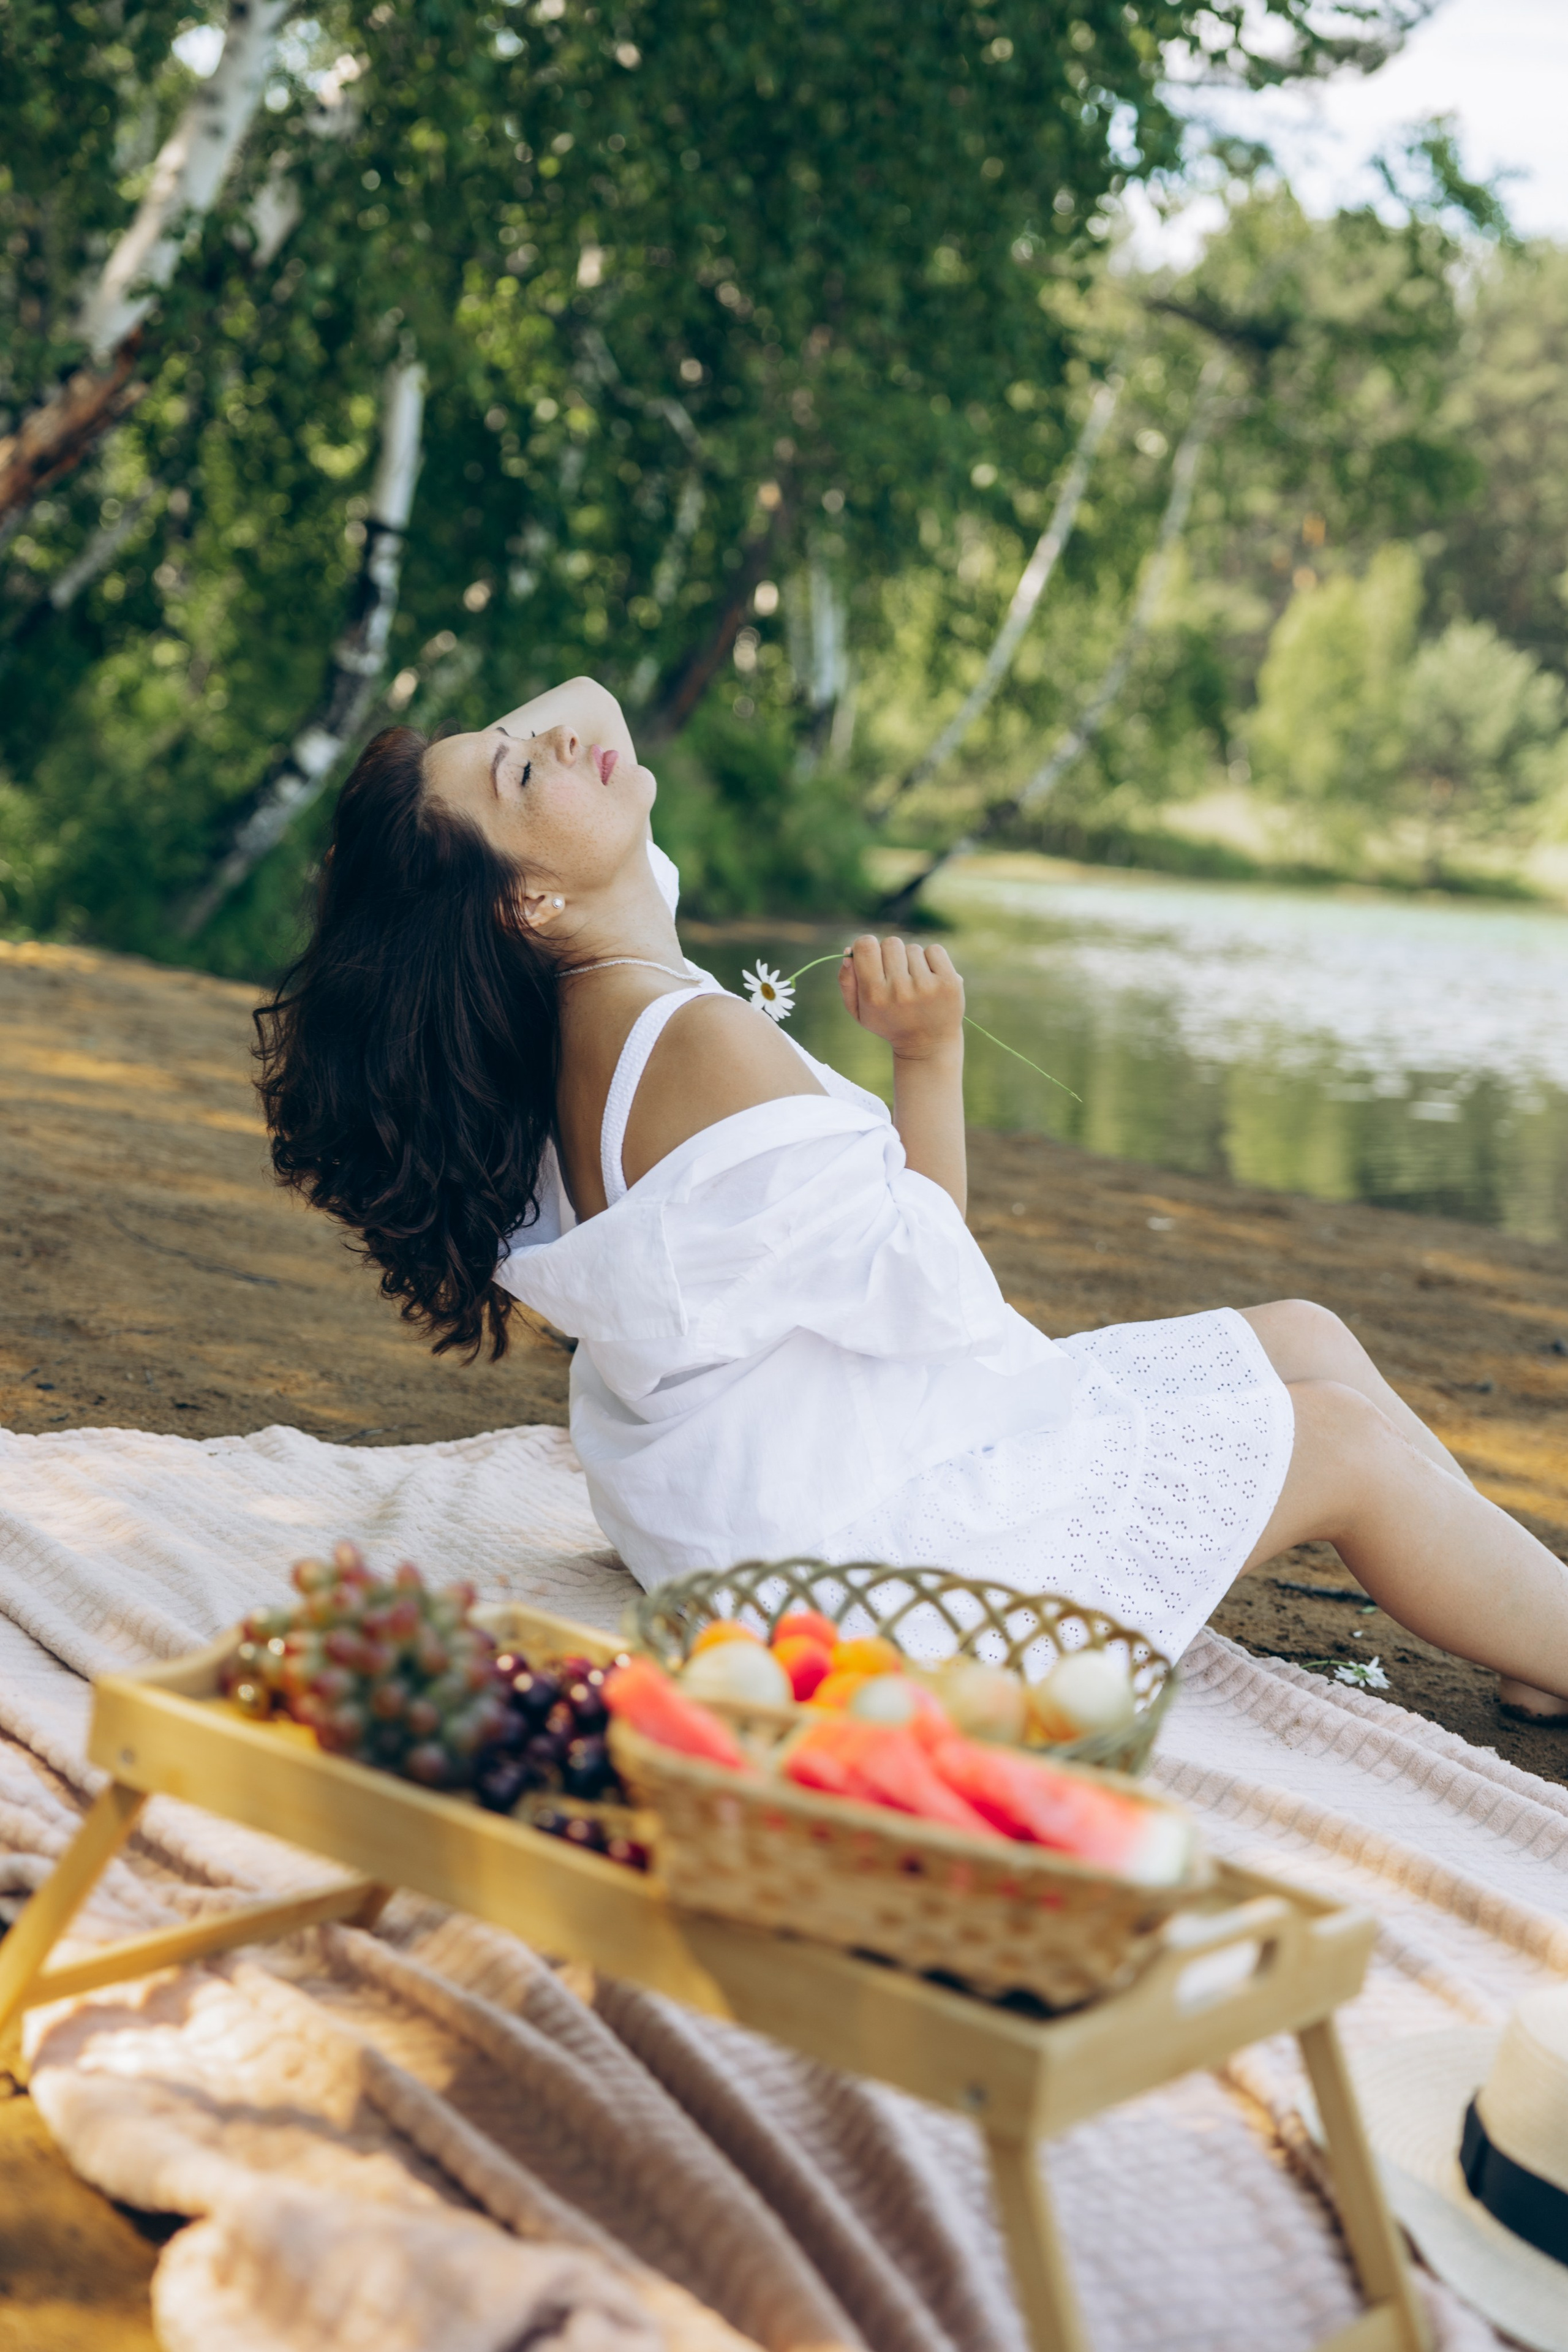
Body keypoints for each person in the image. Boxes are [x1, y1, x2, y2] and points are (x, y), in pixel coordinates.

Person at [257, 676, 1568, 1719]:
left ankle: (1532, 1624)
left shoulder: (582, 1018)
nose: (551, 730)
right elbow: (944, 1289)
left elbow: (588, 711)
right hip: (862, 1568)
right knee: (1331, 1437)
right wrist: (928, 1057)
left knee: (1301, 1335)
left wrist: (520, 769)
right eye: (519, 767)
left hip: (766, 1506)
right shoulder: (700, 1046)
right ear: (532, 900)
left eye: (513, 728)